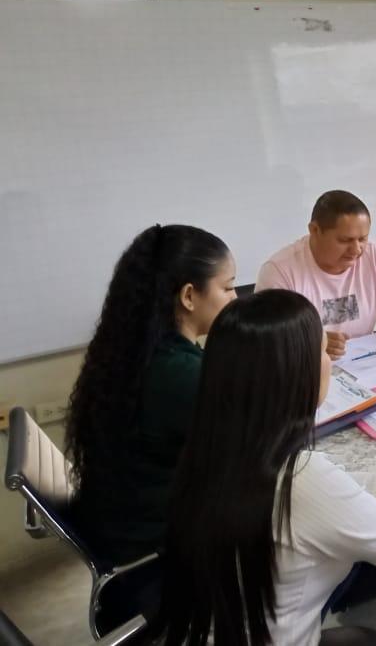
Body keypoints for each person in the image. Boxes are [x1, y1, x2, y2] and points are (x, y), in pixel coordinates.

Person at [156, 289, 376, 646]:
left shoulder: (216, 449)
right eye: (324, 352)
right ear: (296, 374)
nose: (331, 363)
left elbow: (336, 491)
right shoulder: (300, 478)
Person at [66, 224, 237, 564]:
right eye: (228, 287)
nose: (235, 299)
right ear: (189, 296)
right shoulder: (180, 374)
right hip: (158, 549)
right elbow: (256, 448)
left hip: (124, 523)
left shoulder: (135, 349)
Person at [256, 190, 376, 360]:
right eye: (344, 240)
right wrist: (312, 343)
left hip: (365, 363)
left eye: (362, 239)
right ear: (315, 230)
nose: (356, 250)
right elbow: (267, 340)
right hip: (309, 368)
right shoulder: (280, 271)